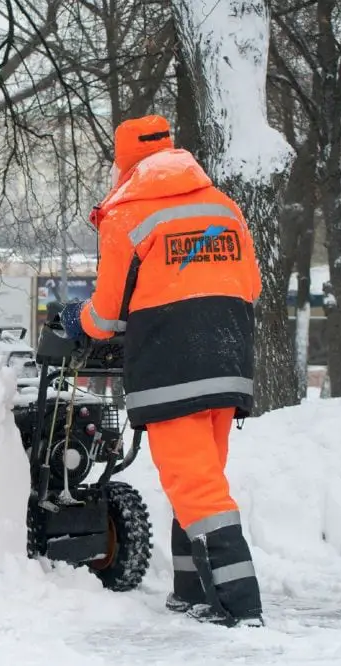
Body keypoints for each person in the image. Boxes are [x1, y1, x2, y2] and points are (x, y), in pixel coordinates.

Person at [59, 114, 265, 628]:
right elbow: (252, 286)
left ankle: (240, 607)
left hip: (174, 366)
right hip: (228, 359)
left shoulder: (128, 213)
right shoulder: (222, 206)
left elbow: (105, 318)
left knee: (195, 486)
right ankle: (191, 591)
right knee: (197, 480)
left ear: (123, 161)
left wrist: (74, 319)